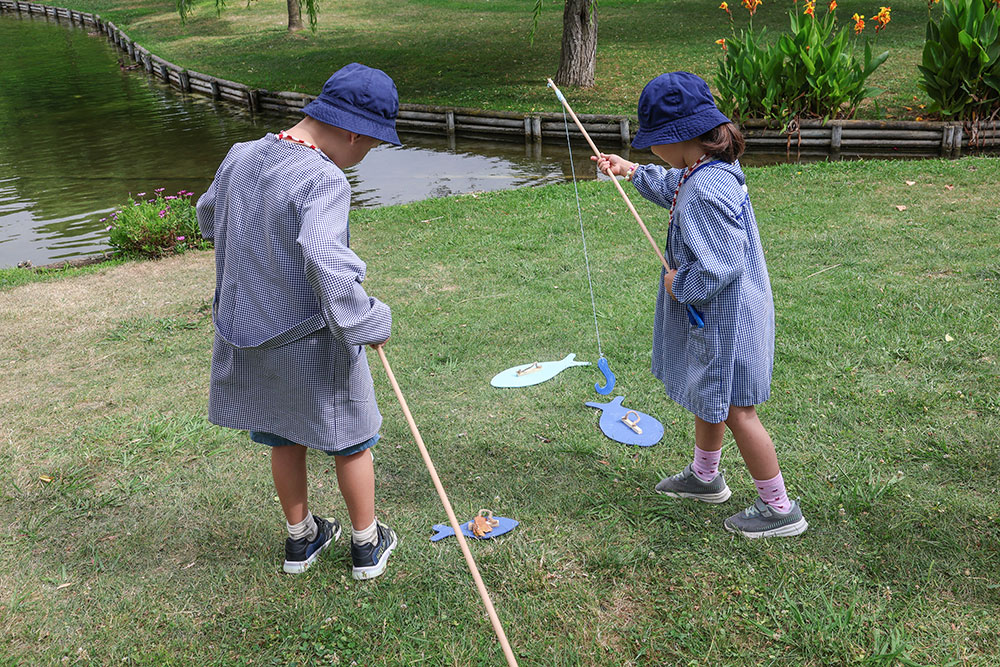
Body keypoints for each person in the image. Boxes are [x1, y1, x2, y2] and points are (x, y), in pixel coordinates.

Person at [196, 63, 401, 577]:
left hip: (249, 328)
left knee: (281, 431)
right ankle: (366, 545)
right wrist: (365, 319)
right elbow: (325, 260)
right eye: (370, 147)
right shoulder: (324, 177)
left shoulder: (241, 156)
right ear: (354, 132)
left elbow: (207, 215)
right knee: (351, 435)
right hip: (311, 336)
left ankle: (301, 539)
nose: (363, 158)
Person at [594, 71, 807, 538]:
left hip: (726, 322)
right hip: (717, 319)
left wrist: (679, 284)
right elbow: (675, 187)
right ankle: (705, 478)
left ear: (679, 138)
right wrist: (630, 172)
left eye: (652, 143)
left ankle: (779, 508)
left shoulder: (706, 190)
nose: (649, 151)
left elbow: (719, 265)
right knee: (707, 395)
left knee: (736, 411)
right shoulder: (702, 173)